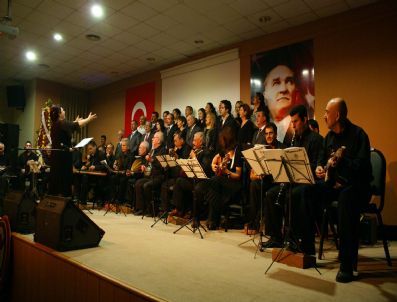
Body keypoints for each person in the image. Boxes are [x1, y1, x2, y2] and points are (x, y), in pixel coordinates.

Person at [315, 98, 372, 283]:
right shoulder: (329, 138)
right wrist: (320, 168)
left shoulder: (358, 135)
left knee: (347, 198)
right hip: (334, 185)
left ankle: (347, 266)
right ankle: (305, 250)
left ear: (337, 115)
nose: (323, 116)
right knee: (306, 191)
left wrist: (343, 160)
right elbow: (322, 161)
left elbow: (363, 169)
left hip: (357, 188)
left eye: (326, 112)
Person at [262, 105, 323, 254]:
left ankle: (296, 238)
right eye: (292, 122)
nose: (293, 125)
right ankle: (276, 236)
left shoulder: (316, 139)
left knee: (293, 195)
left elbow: (317, 164)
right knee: (271, 194)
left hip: (310, 183)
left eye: (296, 121)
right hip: (295, 181)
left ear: (304, 119)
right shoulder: (296, 139)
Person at [49, 105, 97, 197]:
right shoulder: (62, 123)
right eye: (63, 110)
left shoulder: (55, 124)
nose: (64, 111)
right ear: (59, 114)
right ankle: (64, 202)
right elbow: (76, 125)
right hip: (63, 158)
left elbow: (72, 124)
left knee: (56, 182)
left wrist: (75, 121)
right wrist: (88, 119)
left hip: (56, 157)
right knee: (64, 182)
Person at [247, 122, 284, 232]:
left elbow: (283, 173)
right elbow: (252, 175)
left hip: (278, 183)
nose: (268, 136)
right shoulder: (261, 149)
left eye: (271, 133)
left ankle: (267, 227)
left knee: (269, 192)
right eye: (266, 133)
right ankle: (254, 223)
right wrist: (258, 175)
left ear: (276, 134)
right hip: (265, 181)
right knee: (253, 185)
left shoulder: (282, 147)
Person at [205, 127, 243, 229]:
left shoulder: (237, 152)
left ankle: (213, 220)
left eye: (222, 139)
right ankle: (213, 221)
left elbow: (238, 175)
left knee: (214, 181)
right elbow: (215, 161)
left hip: (235, 184)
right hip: (224, 183)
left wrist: (227, 171)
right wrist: (215, 166)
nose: (220, 142)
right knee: (215, 190)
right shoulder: (224, 152)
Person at [170, 132, 214, 220]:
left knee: (191, 187)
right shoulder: (194, 151)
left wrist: (194, 158)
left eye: (194, 140)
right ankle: (179, 209)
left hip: (202, 181)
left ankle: (192, 213)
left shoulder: (206, 152)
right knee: (179, 181)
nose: (192, 142)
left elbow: (204, 168)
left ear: (201, 142)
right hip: (192, 179)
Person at [263, 64, 306, 144]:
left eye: (289, 81)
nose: (283, 89)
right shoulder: (264, 132)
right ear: (265, 93)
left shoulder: (300, 131)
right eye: (276, 83)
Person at [134, 131, 166, 216]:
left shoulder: (162, 150)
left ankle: (151, 210)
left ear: (158, 140)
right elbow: (147, 162)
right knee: (138, 183)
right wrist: (144, 166)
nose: (152, 139)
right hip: (150, 175)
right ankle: (141, 208)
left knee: (147, 185)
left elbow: (161, 165)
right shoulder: (152, 150)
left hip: (159, 176)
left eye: (154, 137)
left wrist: (151, 160)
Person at [160, 132, 191, 213]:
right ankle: (165, 210)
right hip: (174, 176)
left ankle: (178, 209)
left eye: (176, 141)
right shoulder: (176, 148)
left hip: (183, 177)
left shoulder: (187, 148)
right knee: (164, 185)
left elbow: (185, 163)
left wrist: (177, 157)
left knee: (176, 184)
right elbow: (172, 163)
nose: (174, 143)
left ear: (182, 140)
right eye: (173, 141)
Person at [111, 138, 133, 203]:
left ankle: (120, 199)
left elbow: (129, 168)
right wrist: (115, 166)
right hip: (120, 173)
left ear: (128, 146)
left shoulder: (131, 155)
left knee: (122, 180)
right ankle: (113, 197)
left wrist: (121, 170)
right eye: (122, 145)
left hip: (127, 174)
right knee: (112, 178)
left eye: (124, 145)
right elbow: (118, 164)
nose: (122, 147)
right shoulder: (120, 154)